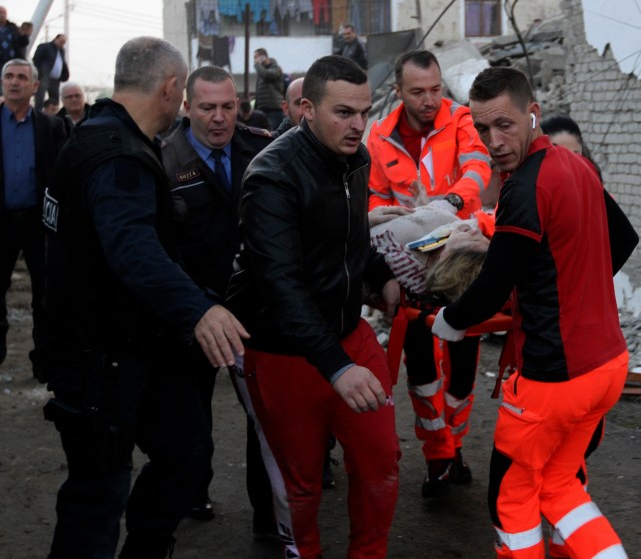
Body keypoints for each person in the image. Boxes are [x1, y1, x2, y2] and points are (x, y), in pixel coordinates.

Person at [39, 36, 249, 559]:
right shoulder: (116, 157)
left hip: (136, 345)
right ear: (173, 88)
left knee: (186, 451)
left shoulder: (107, 138)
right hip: (96, 360)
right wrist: (200, 309)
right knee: (98, 494)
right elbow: (132, 251)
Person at [431, 67, 638, 559]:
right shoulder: (577, 165)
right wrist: (573, 285)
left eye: (504, 124)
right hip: (607, 365)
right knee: (562, 487)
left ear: (533, 115)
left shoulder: (523, 189)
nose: (493, 140)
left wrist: (449, 321)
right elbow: (623, 241)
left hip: (553, 379)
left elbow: (493, 284)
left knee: (512, 500)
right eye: (481, 129)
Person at [226, 55, 401, 558]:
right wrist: (335, 367)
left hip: (347, 335)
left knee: (380, 461)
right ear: (306, 108)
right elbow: (278, 282)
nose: (358, 126)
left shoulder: (355, 157)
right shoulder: (272, 175)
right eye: (344, 113)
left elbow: (351, 236)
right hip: (285, 353)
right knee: (299, 483)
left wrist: (382, 277)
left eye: (365, 112)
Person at [366, 48, 491, 497]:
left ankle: (454, 446)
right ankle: (438, 456)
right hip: (414, 270)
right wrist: (393, 215)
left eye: (436, 89)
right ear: (398, 91)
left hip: (461, 263)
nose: (429, 99)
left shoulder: (460, 120)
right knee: (421, 366)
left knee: (462, 364)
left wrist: (451, 203)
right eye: (418, 92)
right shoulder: (379, 136)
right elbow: (374, 198)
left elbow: (478, 168)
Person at [159, 65, 274, 531]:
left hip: (255, 305)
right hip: (198, 309)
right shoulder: (164, 159)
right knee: (192, 412)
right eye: (208, 108)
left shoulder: (261, 147)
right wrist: (196, 305)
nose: (220, 118)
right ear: (187, 108)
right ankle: (193, 491)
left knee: (264, 415)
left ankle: (268, 513)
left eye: (229, 106)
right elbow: (163, 248)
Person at [0, 59, 66, 371]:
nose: (15, 82)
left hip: (38, 223)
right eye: (9, 76)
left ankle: (45, 358)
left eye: (22, 77)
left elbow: (62, 175)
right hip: (1, 222)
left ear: (35, 86)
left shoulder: (51, 126)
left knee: (45, 292)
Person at [541, 113, 602, 181]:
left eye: (575, 155)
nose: (569, 164)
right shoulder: (533, 187)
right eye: (561, 156)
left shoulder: (594, 185)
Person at [33, 34, 70, 107]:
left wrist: (65, 75)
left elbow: (62, 62)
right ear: (56, 39)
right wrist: (39, 74)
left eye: (64, 42)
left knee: (55, 100)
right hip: (44, 77)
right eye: (61, 41)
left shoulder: (62, 50)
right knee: (40, 97)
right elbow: (36, 60)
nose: (62, 44)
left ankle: (53, 116)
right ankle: (38, 113)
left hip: (55, 80)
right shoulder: (44, 47)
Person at [252, 47, 285, 130]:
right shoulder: (262, 71)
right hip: (263, 109)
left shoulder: (276, 68)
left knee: (273, 134)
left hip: (273, 109)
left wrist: (257, 65)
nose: (255, 60)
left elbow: (267, 75)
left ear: (263, 57)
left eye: (256, 57)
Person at [0, 7, 30, 78]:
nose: (2, 15)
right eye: (0, 13)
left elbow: (24, 43)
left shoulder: (13, 28)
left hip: (12, 62)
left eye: (4, 13)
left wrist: (24, 35)